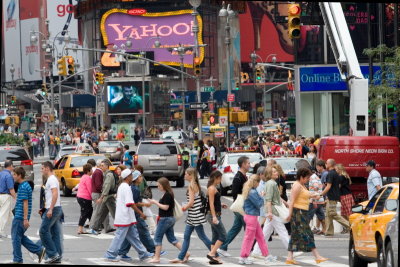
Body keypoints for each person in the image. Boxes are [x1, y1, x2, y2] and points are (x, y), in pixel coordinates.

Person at [103, 169, 153, 262]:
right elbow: (130, 203)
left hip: (126, 216)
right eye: (131, 176)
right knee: (119, 236)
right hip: (124, 216)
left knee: (134, 236)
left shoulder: (123, 186)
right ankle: (110, 254)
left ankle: (143, 253)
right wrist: (141, 213)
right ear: (128, 177)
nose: (132, 177)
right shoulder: (126, 187)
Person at [285, 168, 328, 265]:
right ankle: (317, 256)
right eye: (307, 178)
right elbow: (292, 201)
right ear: (301, 177)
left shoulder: (302, 185)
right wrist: (290, 214)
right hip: (298, 212)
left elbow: (305, 195)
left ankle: (289, 257)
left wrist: (313, 196)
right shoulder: (297, 186)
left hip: (301, 211)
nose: (308, 179)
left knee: (295, 235)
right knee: (308, 233)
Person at [170, 168, 211, 263]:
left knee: (202, 236)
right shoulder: (195, 184)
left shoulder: (191, 186)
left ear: (190, 175)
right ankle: (181, 256)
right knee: (187, 235)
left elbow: (191, 202)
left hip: (195, 215)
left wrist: (183, 208)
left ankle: (214, 253)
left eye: (186, 174)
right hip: (193, 215)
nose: (184, 175)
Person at [118, 170, 161, 260]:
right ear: (136, 178)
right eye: (140, 177)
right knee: (143, 232)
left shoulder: (133, 188)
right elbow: (133, 203)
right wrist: (143, 208)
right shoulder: (134, 189)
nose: (141, 178)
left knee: (131, 234)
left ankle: (122, 252)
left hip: (133, 214)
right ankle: (153, 250)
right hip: (135, 214)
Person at [252, 166, 288, 261]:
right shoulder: (272, 184)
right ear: (270, 174)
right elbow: (268, 200)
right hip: (273, 211)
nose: (277, 173)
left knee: (265, 233)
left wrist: (285, 203)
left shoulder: (269, 183)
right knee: (282, 231)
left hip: (270, 211)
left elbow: (269, 197)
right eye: (274, 172)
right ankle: (292, 250)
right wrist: (270, 212)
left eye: (276, 171)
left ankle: (256, 251)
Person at [11, 167, 46, 264]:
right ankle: (39, 251)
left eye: (14, 174)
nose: (13, 176)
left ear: (19, 175)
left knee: (15, 238)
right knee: (19, 237)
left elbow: (25, 203)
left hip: (20, 217)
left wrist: (25, 218)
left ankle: (17, 259)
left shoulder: (23, 187)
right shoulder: (25, 185)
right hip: (21, 216)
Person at [148, 177, 186, 263]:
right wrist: (155, 201)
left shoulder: (168, 194)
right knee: (171, 238)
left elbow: (165, 207)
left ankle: (157, 257)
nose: (158, 187)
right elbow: (165, 204)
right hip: (168, 218)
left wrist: (155, 202)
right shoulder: (167, 193)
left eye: (159, 186)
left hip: (165, 219)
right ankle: (185, 253)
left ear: (164, 185)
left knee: (157, 237)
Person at [218, 156, 250, 256]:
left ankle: (222, 247)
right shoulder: (238, 177)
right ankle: (250, 250)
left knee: (236, 228)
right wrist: (240, 207)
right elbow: (235, 194)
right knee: (249, 229)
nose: (250, 165)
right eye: (248, 163)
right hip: (240, 207)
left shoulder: (244, 176)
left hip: (242, 207)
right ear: (243, 164)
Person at [239, 174, 271, 265]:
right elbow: (259, 204)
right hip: (252, 217)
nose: (259, 184)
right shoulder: (252, 192)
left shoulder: (249, 190)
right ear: (256, 182)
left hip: (250, 216)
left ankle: (266, 255)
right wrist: (262, 196)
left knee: (260, 236)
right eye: (259, 182)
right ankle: (243, 257)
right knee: (249, 238)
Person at [39, 161, 64, 264]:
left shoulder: (51, 179)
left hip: (53, 209)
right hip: (54, 208)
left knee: (43, 231)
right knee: (55, 233)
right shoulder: (51, 179)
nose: (41, 170)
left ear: (47, 168)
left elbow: (55, 194)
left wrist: (50, 209)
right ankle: (57, 255)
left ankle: (53, 254)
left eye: (42, 168)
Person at [320, 159, 350, 236]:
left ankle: (350, 226)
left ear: (330, 164)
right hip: (332, 196)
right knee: (328, 214)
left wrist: (321, 194)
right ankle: (329, 232)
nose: (325, 164)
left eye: (326, 163)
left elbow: (328, 186)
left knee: (332, 213)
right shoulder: (335, 173)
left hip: (332, 197)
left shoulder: (330, 174)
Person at [206, 171, 228, 264]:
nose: (221, 180)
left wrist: (221, 204)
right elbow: (210, 203)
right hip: (213, 215)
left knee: (215, 236)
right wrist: (214, 216)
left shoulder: (213, 188)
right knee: (223, 235)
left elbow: (214, 201)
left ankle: (213, 257)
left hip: (213, 214)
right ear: (216, 178)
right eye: (220, 178)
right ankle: (212, 253)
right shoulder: (211, 188)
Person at [92, 160, 117, 234]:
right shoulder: (106, 174)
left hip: (109, 197)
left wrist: (101, 197)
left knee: (114, 213)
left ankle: (121, 228)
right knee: (101, 213)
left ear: (107, 166)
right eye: (100, 165)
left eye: (102, 166)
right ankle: (94, 228)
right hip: (107, 197)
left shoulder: (109, 175)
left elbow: (106, 186)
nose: (101, 167)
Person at [88, 159, 110, 234]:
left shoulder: (98, 172)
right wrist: (103, 190)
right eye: (102, 165)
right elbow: (98, 185)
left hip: (96, 193)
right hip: (97, 193)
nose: (102, 166)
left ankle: (106, 227)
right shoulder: (98, 172)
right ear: (99, 165)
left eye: (103, 165)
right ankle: (92, 227)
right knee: (97, 211)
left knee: (101, 210)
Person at [74, 164, 93, 235]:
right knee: (85, 212)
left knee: (90, 212)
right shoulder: (88, 178)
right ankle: (80, 229)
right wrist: (94, 198)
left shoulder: (83, 177)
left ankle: (93, 227)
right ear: (88, 171)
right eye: (91, 169)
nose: (92, 170)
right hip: (85, 197)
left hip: (80, 197)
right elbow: (90, 188)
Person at [308, 167, 326, 235]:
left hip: (315, 200)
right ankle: (324, 229)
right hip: (320, 200)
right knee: (321, 216)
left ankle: (306, 230)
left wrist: (314, 197)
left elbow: (316, 186)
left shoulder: (312, 178)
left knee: (309, 215)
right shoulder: (316, 177)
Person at [0, 160, 16, 238]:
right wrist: (15, 197)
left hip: (0, 195)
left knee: (9, 214)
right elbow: (11, 189)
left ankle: (16, 229)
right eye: (13, 166)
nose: (13, 167)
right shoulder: (9, 176)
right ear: (10, 166)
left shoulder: (1, 173)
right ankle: (0, 231)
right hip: (6, 196)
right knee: (3, 214)